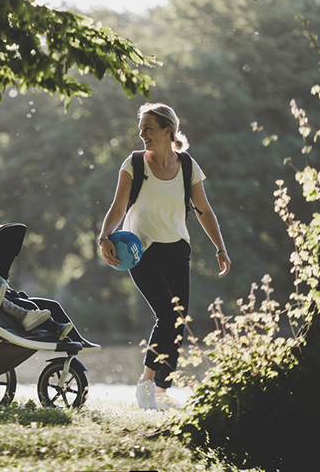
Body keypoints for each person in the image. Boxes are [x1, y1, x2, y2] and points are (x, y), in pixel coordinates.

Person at [97, 103, 230, 411]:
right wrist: (104, 236)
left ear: (167, 130)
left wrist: (220, 249)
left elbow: (204, 211)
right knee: (167, 316)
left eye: (148, 128)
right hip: (140, 251)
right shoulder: (134, 164)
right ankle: (146, 383)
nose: (142, 133)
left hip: (177, 250)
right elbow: (118, 208)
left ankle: (161, 389)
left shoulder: (187, 166)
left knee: (179, 321)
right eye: (141, 128)